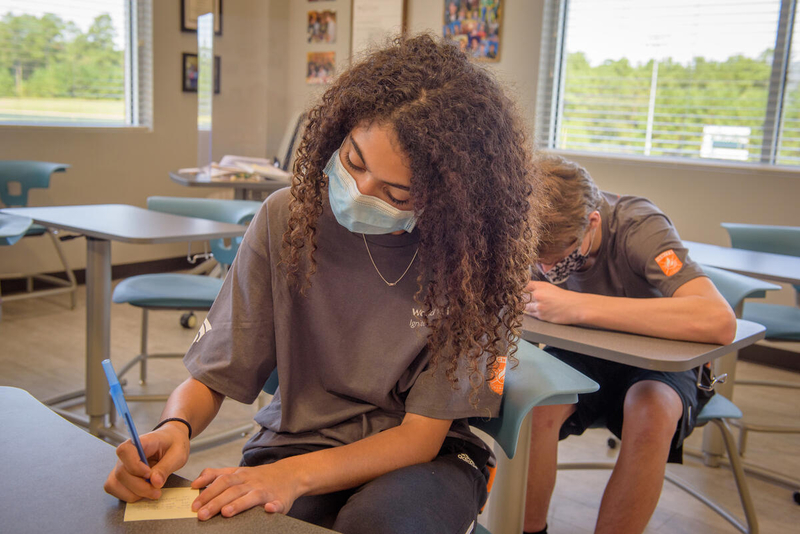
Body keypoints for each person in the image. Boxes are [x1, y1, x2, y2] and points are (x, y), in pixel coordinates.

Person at [104, 34, 536, 534]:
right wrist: (172, 429)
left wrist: (291, 478)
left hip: (427, 459)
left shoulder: (470, 262)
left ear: (449, 199)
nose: (360, 193)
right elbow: (212, 375)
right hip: (296, 440)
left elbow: (419, 438)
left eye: (398, 192)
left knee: (379, 525)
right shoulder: (287, 218)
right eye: (354, 162)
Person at [522, 155, 736, 534]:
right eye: (538, 257)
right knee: (537, 406)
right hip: (585, 352)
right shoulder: (526, 221)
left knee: (650, 411)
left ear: (592, 222)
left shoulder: (641, 228)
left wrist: (579, 306)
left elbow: (718, 321)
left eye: (559, 254)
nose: (546, 268)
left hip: (661, 359)